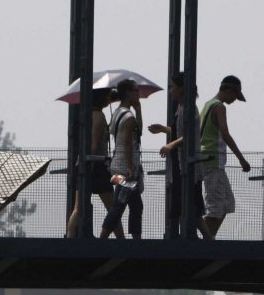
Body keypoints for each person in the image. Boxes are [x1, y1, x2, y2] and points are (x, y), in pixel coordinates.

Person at [148, 71, 206, 238]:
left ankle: (201, 237)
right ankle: (195, 237)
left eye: (173, 87)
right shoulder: (181, 108)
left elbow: (190, 135)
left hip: (188, 167)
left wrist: (171, 144)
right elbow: (181, 132)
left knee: (191, 205)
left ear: (182, 89)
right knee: (185, 206)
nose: (170, 91)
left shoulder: (189, 109)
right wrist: (164, 129)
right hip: (180, 164)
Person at [198, 75, 251, 239]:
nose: (234, 100)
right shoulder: (219, 107)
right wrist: (241, 159)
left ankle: (209, 236)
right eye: (235, 95)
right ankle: (205, 240)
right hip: (212, 161)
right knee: (216, 207)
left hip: (211, 161)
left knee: (227, 203)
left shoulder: (208, 104)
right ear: (229, 90)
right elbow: (225, 133)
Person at [66, 88, 123, 238]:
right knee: (112, 208)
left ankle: (69, 237)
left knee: (79, 208)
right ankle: (121, 239)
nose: (109, 98)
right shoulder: (98, 116)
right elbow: (94, 144)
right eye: (107, 96)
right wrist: (89, 169)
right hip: (96, 166)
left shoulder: (89, 115)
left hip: (87, 165)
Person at [103, 78, 144, 239]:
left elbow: (137, 131)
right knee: (119, 205)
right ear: (128, 93)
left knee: (135, 205)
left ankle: (136, 239)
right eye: (135, 91)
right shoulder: (128, 117)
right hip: (126, 169)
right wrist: (129, 167)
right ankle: (102, 238)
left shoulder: (118, 113)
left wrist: (138, 109)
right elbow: (128, 142)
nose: (138, 94)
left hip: (117, 165)